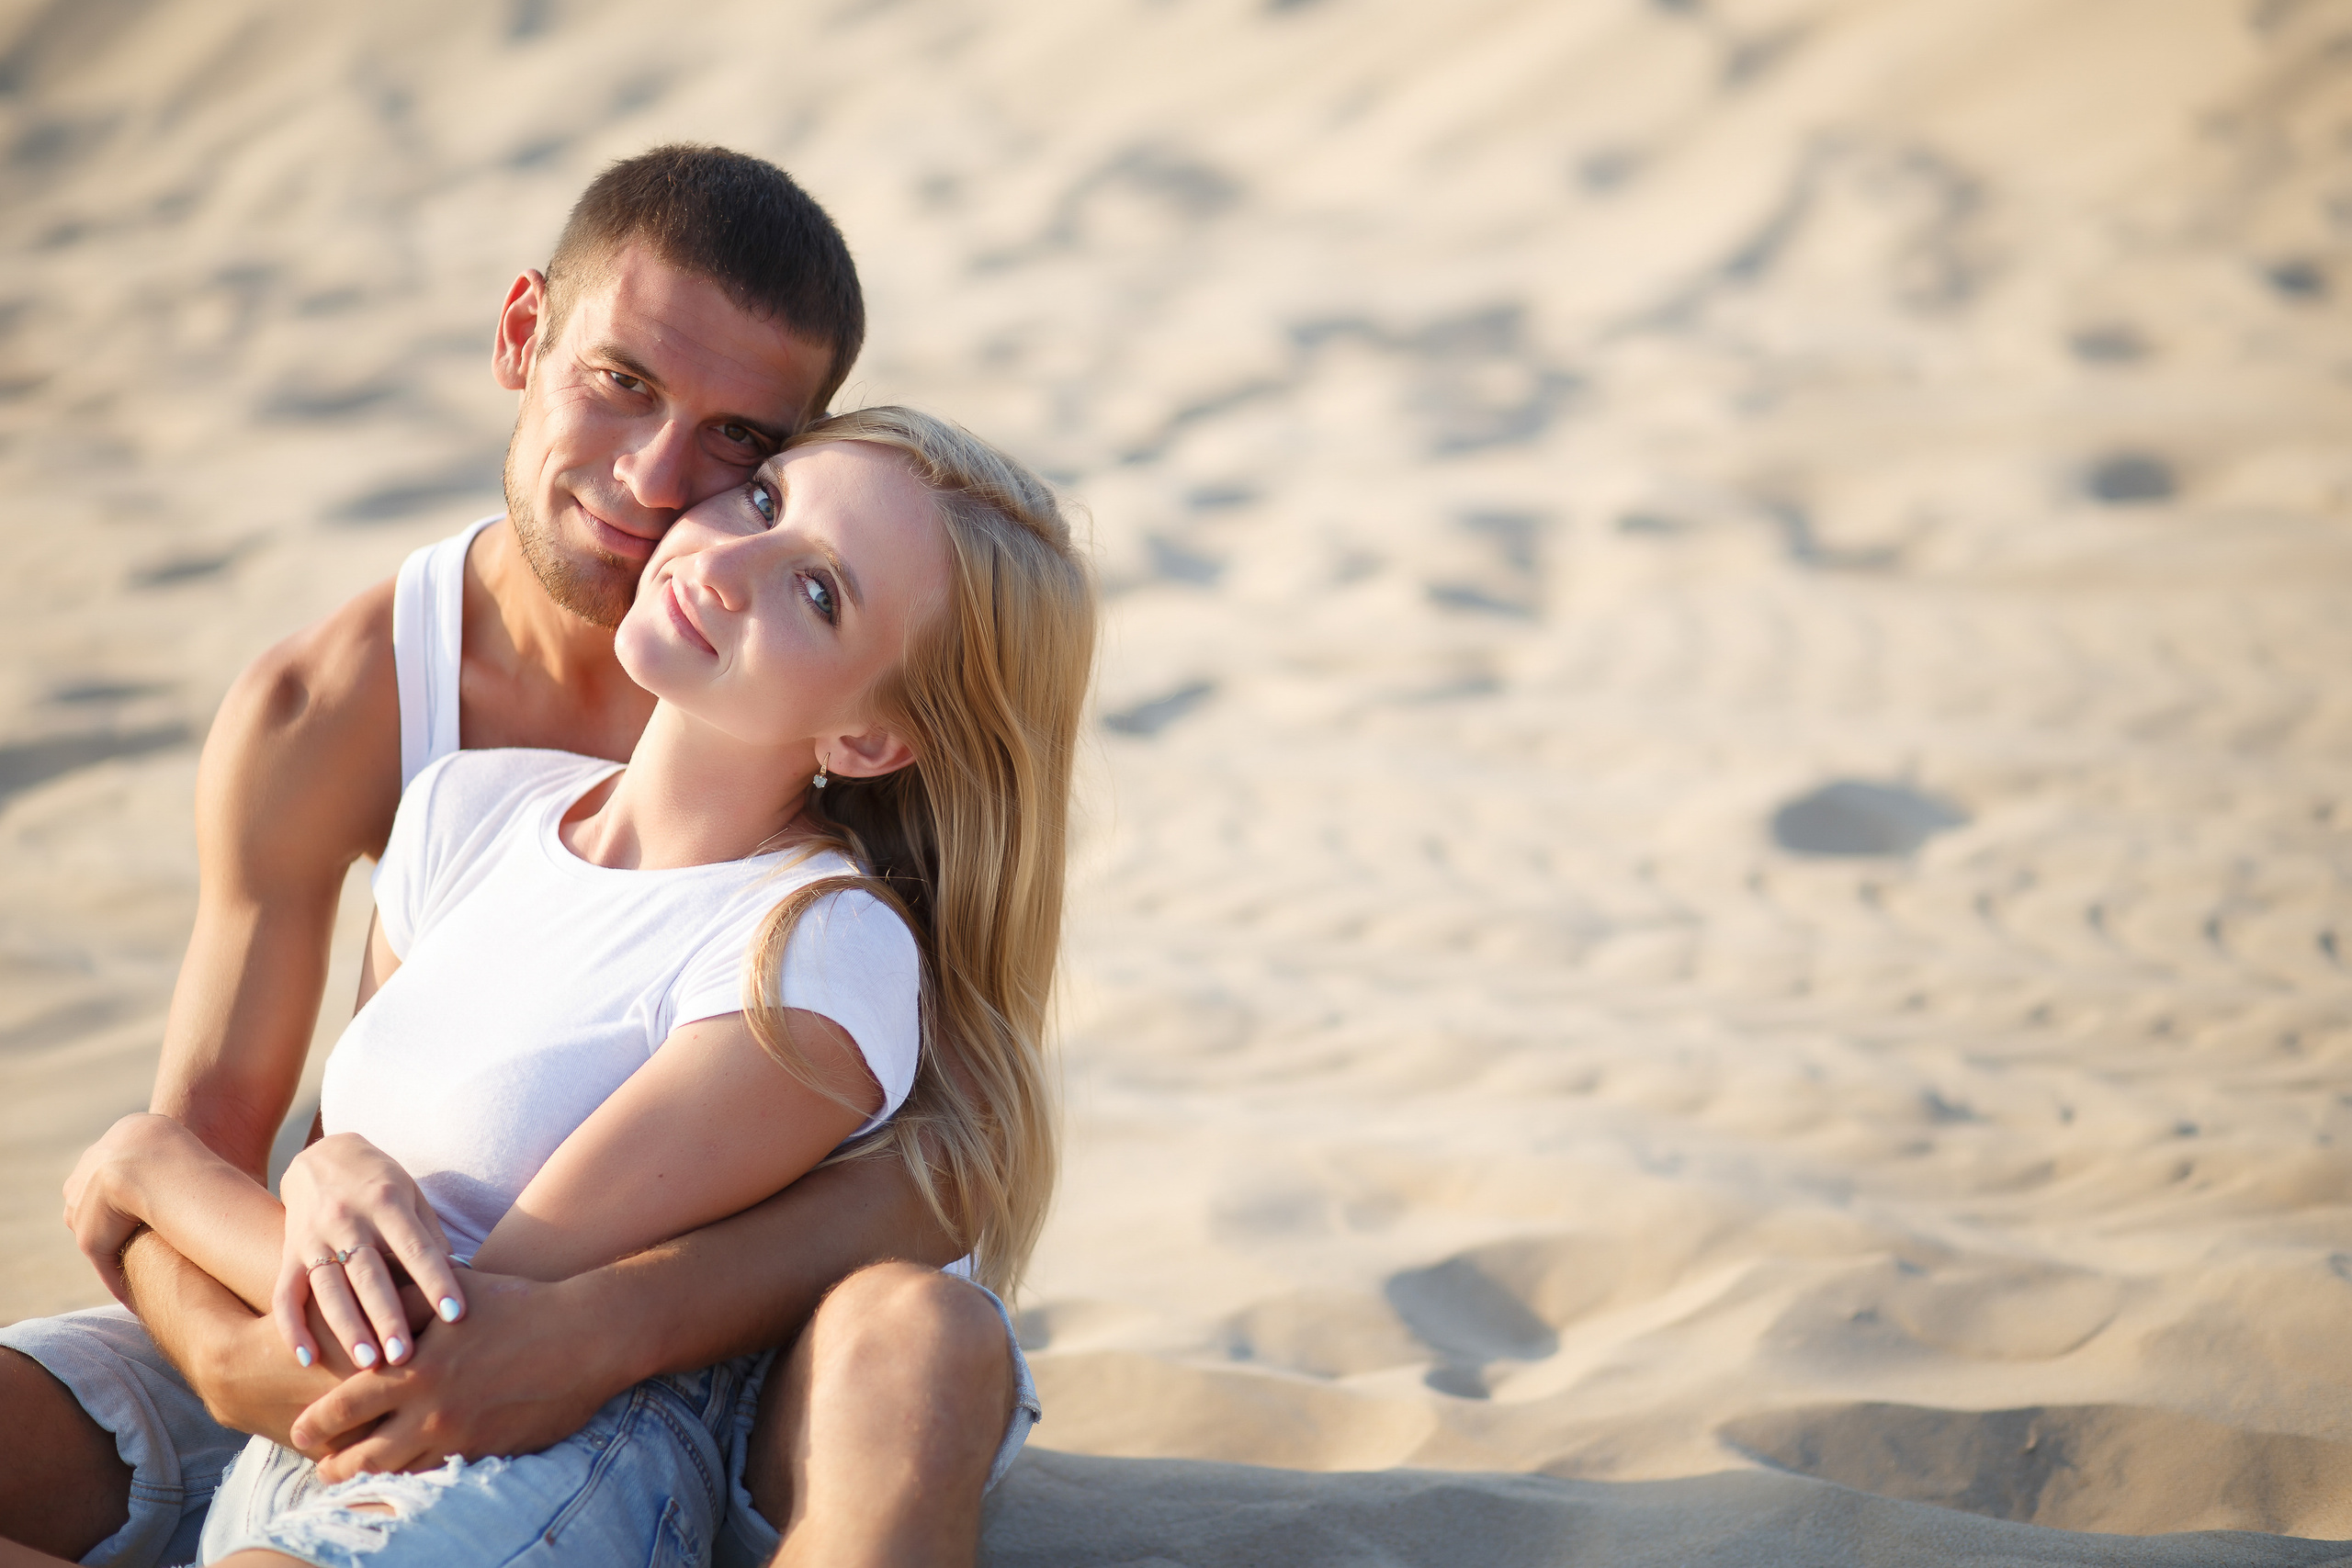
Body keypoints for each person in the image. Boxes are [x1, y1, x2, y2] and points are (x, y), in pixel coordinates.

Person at [0, 147, 1024, 1568]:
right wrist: (255, 1301)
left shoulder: (833, 734)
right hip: (327, 1325)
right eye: (622, 383)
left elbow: (941, 1164)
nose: (660, 481)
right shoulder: (374, 732)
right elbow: (245, 1171)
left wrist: (594, 1324)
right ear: (521, 336)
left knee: (921, 1334)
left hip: (681, 1371)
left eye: (739, 442)